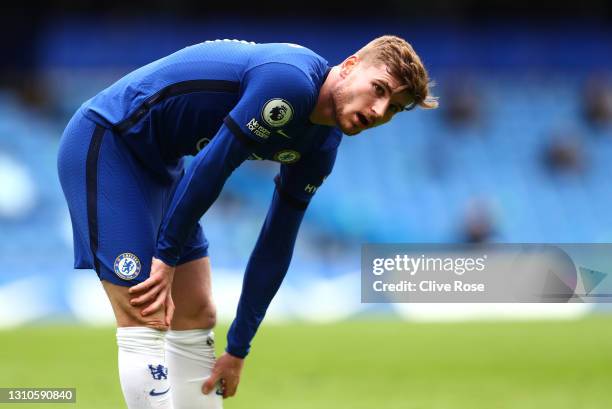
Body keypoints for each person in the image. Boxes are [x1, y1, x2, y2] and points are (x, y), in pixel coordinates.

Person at [57, 35, 437, 409]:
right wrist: (166, 256)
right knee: (146, 312)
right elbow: (215, 164)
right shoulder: (290, 81)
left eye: (393, 108)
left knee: (197, 313)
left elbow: (277, 240)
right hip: (109, 141)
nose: (378, 111)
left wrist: (238, 347)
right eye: (379, 89)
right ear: (351, 65)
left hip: (161, 166)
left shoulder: (321, 147)